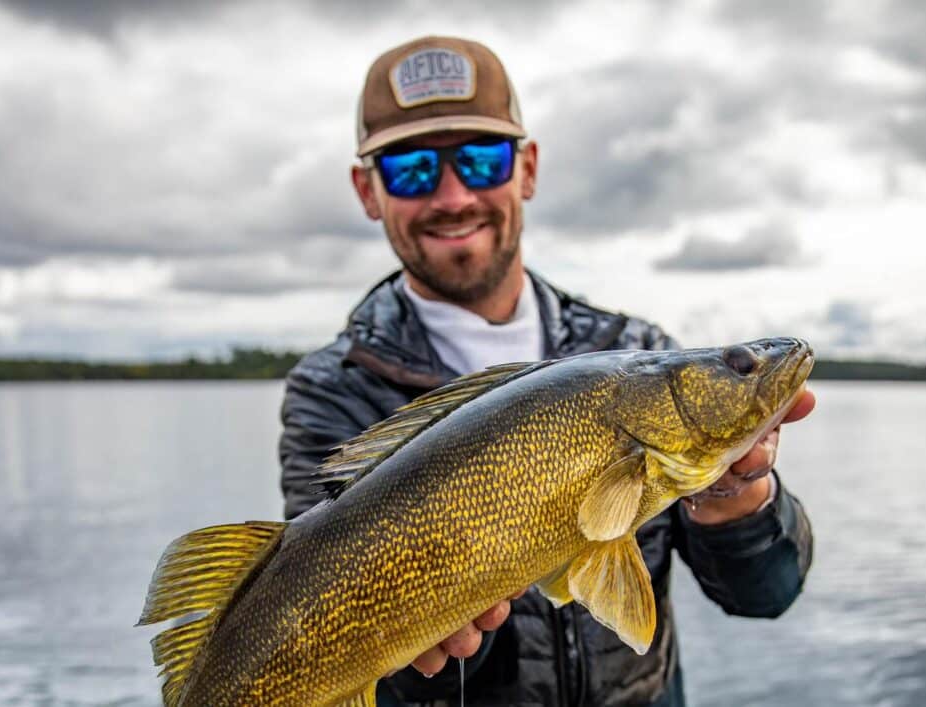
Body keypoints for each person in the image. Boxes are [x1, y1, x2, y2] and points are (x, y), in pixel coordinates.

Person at [279, 35, 815, 707]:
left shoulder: (636, 346)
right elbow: (329, 636)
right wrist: (432, 657)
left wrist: (739, 504)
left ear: (527, 169)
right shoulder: (332, 392)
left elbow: (766, 593)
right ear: (367, 189)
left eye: (482, 160)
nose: (452, 196)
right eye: (411, 168)